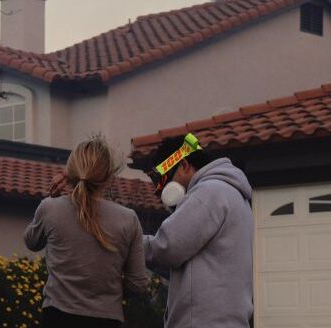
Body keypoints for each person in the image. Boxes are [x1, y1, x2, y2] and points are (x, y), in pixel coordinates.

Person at [24, 135, 148, 328]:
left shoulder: (50, 209)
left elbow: (32, 242)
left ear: (72, 171)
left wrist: (52, 197)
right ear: (108, 176)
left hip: (57, 317)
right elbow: (138, 284)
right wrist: (109, 290)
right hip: (106, 319)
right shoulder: (128, 219)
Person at [142, 133, 253, 327]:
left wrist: (125, 240)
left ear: (184, 165)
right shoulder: (234, 194)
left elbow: (166, 247)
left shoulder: (207, 193)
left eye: (164, 180)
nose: (162, 190)